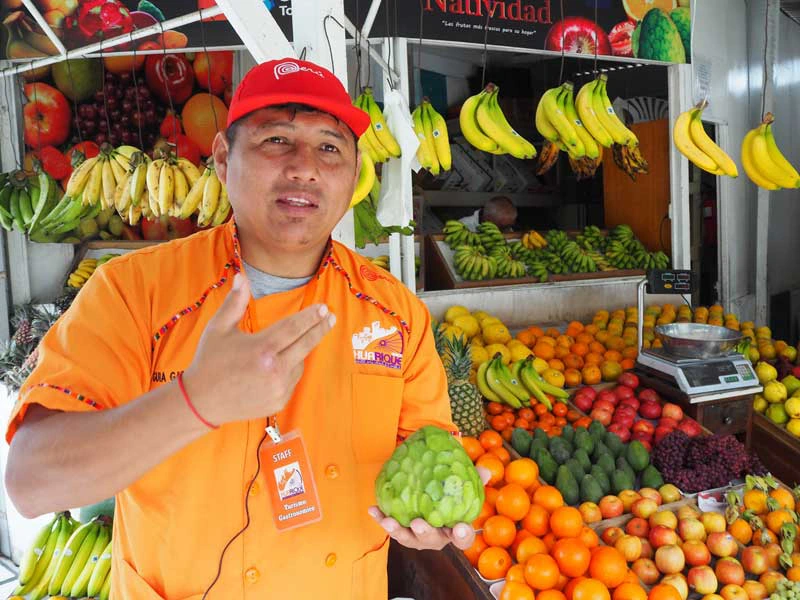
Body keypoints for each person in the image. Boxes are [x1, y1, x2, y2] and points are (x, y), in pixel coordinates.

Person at [4, 58, 478, 599]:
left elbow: (427, 451)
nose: (305, 167)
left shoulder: (394, 313)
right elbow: (31, 482)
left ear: (352, 174)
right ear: (225, 160)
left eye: (330, 147)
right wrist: (194, 401)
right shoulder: (134, 291)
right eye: (277, 139)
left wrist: (433, 523)